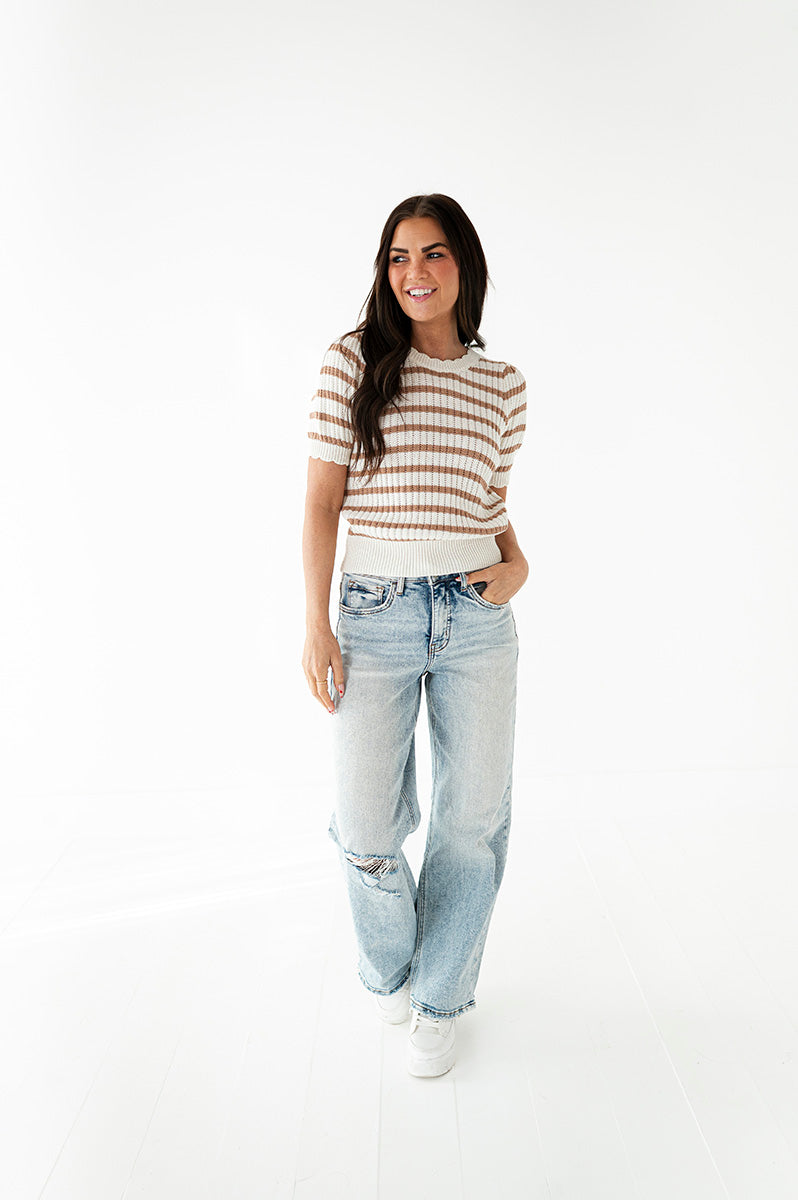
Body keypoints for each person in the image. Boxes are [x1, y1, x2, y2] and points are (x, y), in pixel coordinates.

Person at [301, 193, 528, 1077]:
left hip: (478, 617)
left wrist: (518, 564)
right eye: (399, 257)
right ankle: (391, 966)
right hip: (375, 612)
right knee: (365, 824)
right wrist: (315, 624)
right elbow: (322, 503)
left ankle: (440, 997)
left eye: (433, 253)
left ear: (463, 264)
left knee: (471, 824)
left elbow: (488, 504)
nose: (415, 272)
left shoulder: (503, 385)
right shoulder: (352, 361)